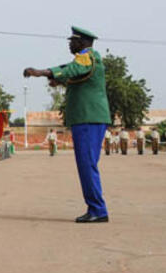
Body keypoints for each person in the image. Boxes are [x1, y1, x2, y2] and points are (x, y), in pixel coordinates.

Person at [23, 27, 111, 223]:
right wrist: (57, 79)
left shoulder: (86, 56)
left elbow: (73, 69)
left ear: (81, 42)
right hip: (90, 117)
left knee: (86, 165)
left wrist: (42, 72)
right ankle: (96, 208)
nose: (69, 44)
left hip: (88, 118)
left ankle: (97, 209)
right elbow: (74, 73)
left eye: (72, 40)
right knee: (88, 165)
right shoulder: (88, 57)